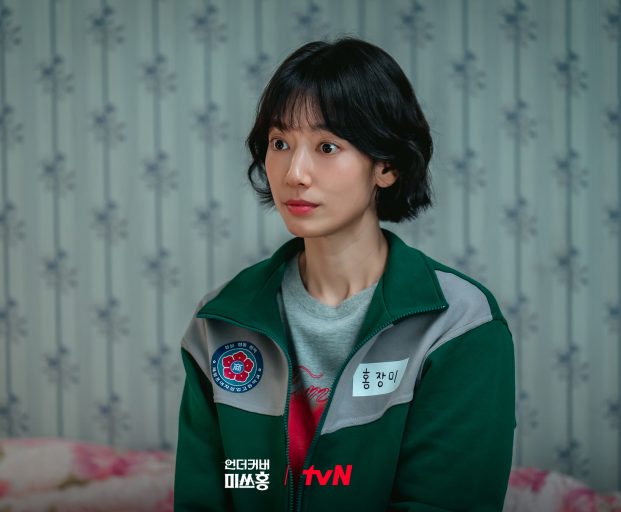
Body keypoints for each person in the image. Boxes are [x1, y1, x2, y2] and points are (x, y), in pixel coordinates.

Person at [174, 37, 516, 511]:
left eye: (327, 146)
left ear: (386, 166)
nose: (294, 173)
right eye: (280, 143)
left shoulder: (458, 323)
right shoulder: (220, 321)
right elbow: (208, 498)